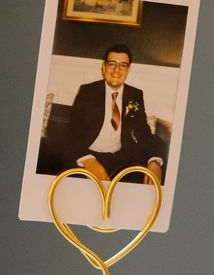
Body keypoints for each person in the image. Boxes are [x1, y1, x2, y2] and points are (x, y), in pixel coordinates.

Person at [68, 44, 164, 185]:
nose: (116, 70)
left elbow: (143, 132)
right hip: (89, 154)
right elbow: (72, 132)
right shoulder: (87, 92)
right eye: (112, 64)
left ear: (128, 69)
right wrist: (88, 160)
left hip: (121, 158)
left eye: (123, 65)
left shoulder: (135, 95)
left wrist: (154, 161)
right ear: (104, 66)